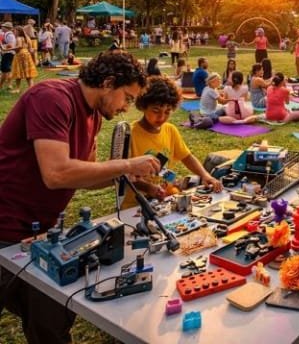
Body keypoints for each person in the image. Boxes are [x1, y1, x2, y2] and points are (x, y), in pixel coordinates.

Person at [0, 51, 161, 344]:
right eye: (126, 97)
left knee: (50, 317)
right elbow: (56, 174)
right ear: (108, 82)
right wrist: (126, 164)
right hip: (5, 223)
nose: (126, 107)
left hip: (40, 233)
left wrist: (126, 178)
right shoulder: (52, 97)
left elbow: (84, 177)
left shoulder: (94, 117)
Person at [124, 76, 222, 206]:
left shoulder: (170, 130)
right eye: (156, 110)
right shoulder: (129, 134)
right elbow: (123, 175)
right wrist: (149, 188)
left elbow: (187, 157)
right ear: (143, 106)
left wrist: (205, 175)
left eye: (167, 111)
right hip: (135, 206)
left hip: (164, 201)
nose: (162, 117)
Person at [9, 26, 37, 92]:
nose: (14, 32)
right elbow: (30, 49)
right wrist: (34, 58)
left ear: (18, 31)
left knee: (18, 72)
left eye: (15, 31)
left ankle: (17, 89)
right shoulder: (27, 38)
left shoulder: (18, 38)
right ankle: (31, 88)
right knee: (28, 73)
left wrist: (8, 49)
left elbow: (19, 47)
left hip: (20, 55)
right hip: (27, 55)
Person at [0, 21, 17, 90]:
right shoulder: (6, 34)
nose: (2, 27)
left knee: (4, 70)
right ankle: (9, 85)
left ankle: (1, 85)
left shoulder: (9, 35)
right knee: (8, 70)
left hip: (8, 53)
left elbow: (11, 45)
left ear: (6, 28)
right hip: (8, 53)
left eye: (3, 26)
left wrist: (1, 45)